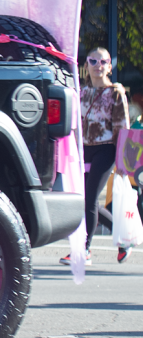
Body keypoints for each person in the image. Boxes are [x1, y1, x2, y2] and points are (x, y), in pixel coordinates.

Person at [62, 47, 130, 266]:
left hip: (106, 149)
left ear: (110, 66)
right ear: (86, 66)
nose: (98, 66)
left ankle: (84, 250)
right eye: (93, 61)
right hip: (85, 150)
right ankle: (123, 241)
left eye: (103, 62)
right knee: (86, 200)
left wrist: (122, 161)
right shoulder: (82, 92)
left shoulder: (115, 92)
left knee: (90, 199)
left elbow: (122, 128)